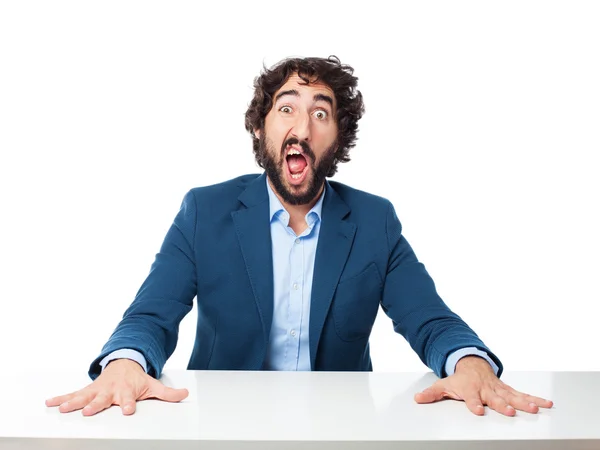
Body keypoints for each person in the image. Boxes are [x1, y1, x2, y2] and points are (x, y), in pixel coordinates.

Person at [46, 56, 553, 417]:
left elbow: (429, 317)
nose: (302, 128)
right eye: (286, 108)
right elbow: (150, 316)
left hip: (341, 432)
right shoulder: (205, 211)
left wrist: (469, 363)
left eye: (320, 112)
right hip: (222, 429)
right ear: (262, 128)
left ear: (338, 136)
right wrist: (123, 364)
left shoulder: (374, 221)